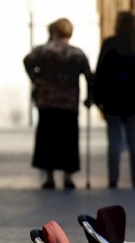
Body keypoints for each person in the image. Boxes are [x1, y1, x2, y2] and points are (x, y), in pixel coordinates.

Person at [23, 18, 93, 190]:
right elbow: (89, 76)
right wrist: (89, 97)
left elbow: (27, 61)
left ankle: (49, 177)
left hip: (47, 101)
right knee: (68, 139)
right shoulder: (77, 53)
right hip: (69, 102)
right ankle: (68, 177)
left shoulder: (43, 51)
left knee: (48, 138)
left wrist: (36, 79)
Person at [93, 11, 135, 189]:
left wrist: (98, 98)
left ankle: (113, 179)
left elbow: (101, 73)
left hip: (113, 100)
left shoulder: (110, 43)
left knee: (114, 140)